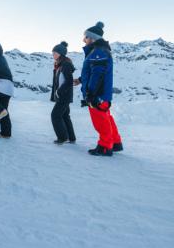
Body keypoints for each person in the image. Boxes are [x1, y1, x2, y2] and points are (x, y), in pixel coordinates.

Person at [74, 21, 123, 156]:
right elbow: (92, 72)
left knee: (100, 121)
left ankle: (105, 147)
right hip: (101, 94)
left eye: (86, 37)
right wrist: (80, 80)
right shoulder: (99, 51)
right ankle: (115, 143)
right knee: (106, 117)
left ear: (93, 38)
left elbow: (97, 75)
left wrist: (91, 94)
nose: (83, 40)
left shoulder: (98, 52)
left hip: (98, 94)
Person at [50, 41, 76, 144]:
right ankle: (71, 137)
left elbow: (69, 81)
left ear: (60, 53)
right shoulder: (59, 65)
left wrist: (59, 92)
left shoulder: (65, 64)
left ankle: (62, 137)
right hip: (63, 95)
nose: (53, 55)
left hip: (64, 96)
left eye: (55, 53)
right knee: (65, 116)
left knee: (55, 115)